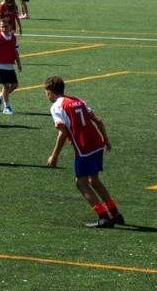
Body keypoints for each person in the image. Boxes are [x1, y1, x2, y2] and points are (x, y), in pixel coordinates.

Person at [45, 76, 122, 228]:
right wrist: (105, 140)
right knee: (94, 180)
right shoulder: (78, 100)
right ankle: (115, 214)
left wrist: (54, 155)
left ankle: (104, 216)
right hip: (97, 144)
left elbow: (63, 133)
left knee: (81, 183)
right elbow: (98, 120)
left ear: (50, 92)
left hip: (84, 148)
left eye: (46, 92)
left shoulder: (57, 107)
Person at [0, 16, 21, 115]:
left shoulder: (14, 38)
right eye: (2, 26)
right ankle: (6, 107)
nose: (4, 28)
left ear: (11, 27)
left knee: (14, 85)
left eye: (6, 26)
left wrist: (19, 63)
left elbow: (16, 52)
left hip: (10, 66)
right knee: (6, 86)